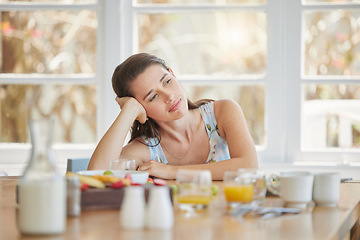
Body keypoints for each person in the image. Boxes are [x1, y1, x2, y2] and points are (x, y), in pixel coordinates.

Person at [88, 53, 258, 180]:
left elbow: (249, 165)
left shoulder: (223, 112)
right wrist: (129, 111)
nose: (169, 96)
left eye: (167, 81)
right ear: (141, 107)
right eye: (153, 97)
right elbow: (97, 173)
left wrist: (171, 172)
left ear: (173, 74)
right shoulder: (146, 149)